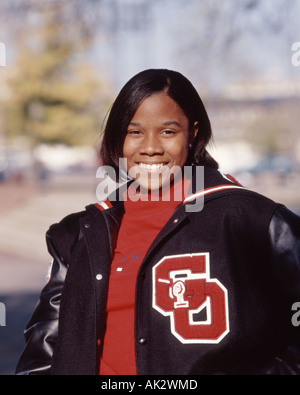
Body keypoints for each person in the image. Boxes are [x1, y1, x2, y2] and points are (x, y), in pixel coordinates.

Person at [16, 69, 300, 375]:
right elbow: (44, 351)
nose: (150, 147)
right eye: (134, 132)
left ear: (192, 134)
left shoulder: (252, 220)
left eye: (167, 131)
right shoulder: (80, 233)